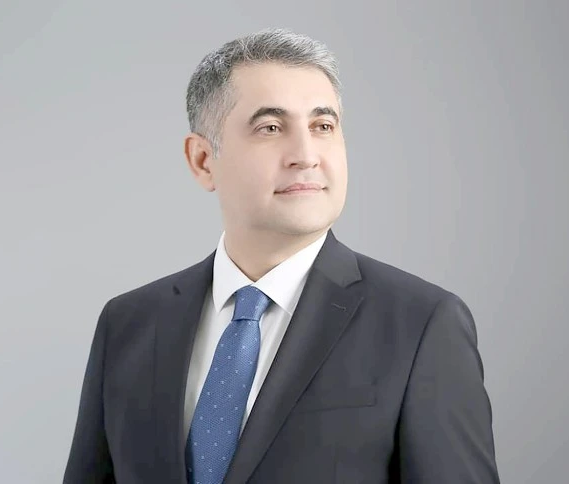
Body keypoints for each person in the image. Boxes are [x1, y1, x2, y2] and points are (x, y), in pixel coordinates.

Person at [63, 28, 500, 484]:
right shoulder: (128, 324)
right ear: (203, 160)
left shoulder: (421, 324)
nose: (306, 155)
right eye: (270, 128)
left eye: (323, 127)